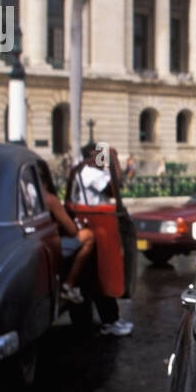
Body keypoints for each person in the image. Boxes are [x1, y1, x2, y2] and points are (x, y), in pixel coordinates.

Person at [66, 143, 133, 336]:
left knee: (95, 276)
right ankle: (106, 321)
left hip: (97, 225)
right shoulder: (88, 173)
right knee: (98, 275)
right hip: (95, 226)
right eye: (99, 155)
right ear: (92, 155)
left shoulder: (90, 171)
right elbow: (114, 188)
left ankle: (103, 320)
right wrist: (114, 163)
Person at [35, 157, 95, 304]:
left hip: (28, 243)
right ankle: (68, 285)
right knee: (88, 236)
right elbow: (72, 230)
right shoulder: (49, 199)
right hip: (46, 246)